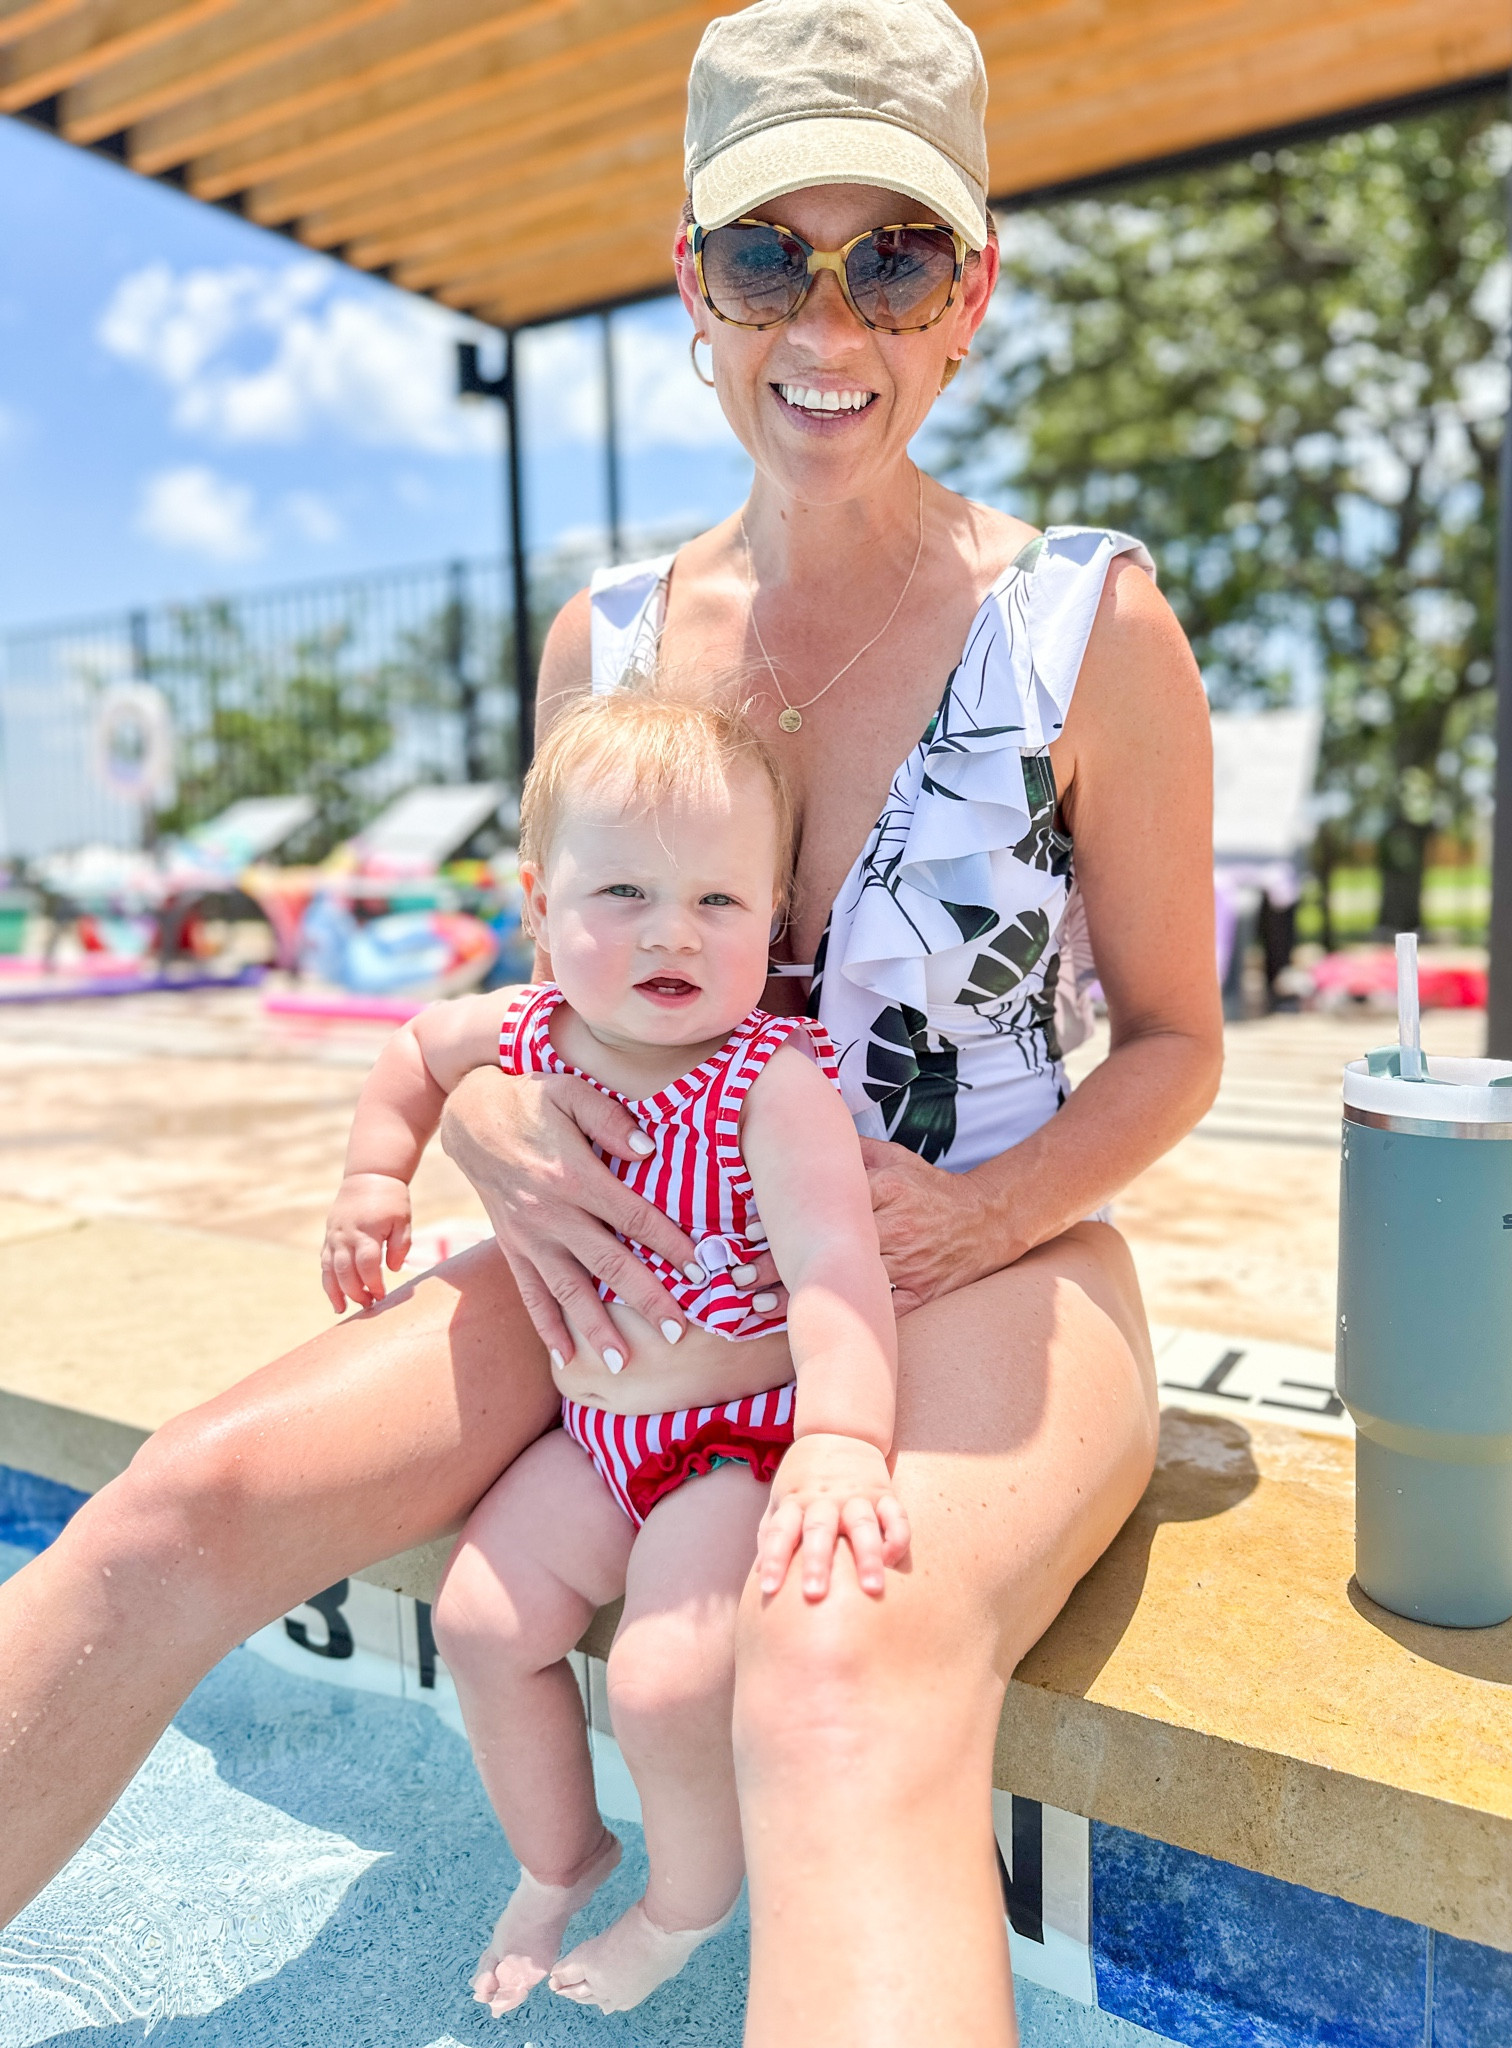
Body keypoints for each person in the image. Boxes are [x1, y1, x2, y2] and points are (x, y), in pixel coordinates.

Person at [0, 3, 1221, 2040]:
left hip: (982, 1246)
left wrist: (976, 1225)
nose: (830, 319)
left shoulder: (1093, 626)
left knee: (842, 1664)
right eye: (769, 255)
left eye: (895, 255)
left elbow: (1179, 1044)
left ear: (973, 294)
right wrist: (478, 1115)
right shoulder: (618, 641)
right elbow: (549, 980)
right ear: (692, 282)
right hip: (644, 1234)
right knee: (191, 1495)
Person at [321, 691, 906, 2016]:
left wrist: (839, 1439)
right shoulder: (528, 1034)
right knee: (478, 1620)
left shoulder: (770, 1082)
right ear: (539, 901)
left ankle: (689, 1903)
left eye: (718, 902)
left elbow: (834, 1272)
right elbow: (413, 1048)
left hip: (725, 1447)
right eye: (625, 891)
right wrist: (372, 1176)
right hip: (594, 1439)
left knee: (662, 1678)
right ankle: (558, 1852)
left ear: (777, 923)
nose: (670, 932)